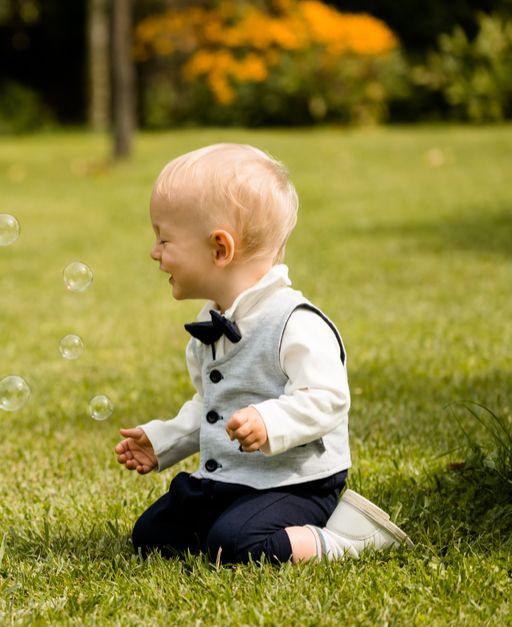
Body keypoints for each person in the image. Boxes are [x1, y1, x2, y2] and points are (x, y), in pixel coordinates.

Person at [115, 143, 410, 565]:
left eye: (164, 239)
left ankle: (351, 539)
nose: (154, 252)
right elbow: (212, 407)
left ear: (220, 249)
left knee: (236, 545)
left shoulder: (295, 323)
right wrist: (163, 442)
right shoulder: (211, 325)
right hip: (234, 479)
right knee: (154, 535)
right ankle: (233, 519)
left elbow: (327, 399)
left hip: (295, 483)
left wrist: (269, 421)